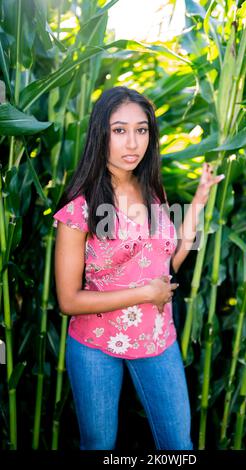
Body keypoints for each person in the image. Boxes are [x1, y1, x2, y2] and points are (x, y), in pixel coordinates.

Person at [53, 86, 224, 450]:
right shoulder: (79, 208)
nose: (132, 142)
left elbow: (169, 263)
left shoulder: (152, 192)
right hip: (96, 344)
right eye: (119, 130)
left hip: (157, 339)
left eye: (142, 129)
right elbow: (68, 300)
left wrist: (198, 202)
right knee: (98, 443)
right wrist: (146, 294)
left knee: (178, 444)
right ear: (101, 133)